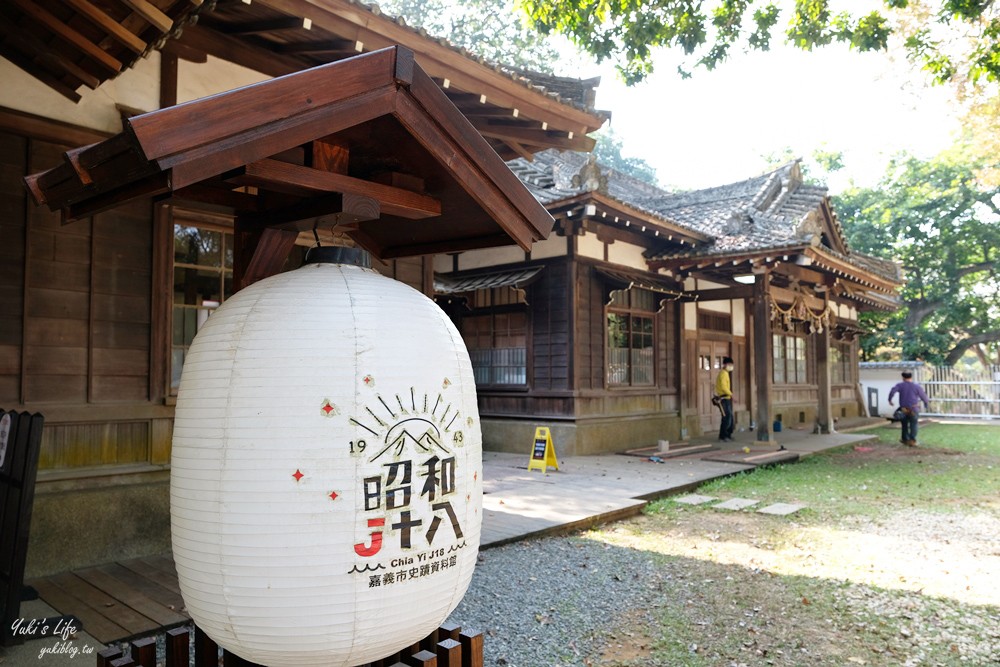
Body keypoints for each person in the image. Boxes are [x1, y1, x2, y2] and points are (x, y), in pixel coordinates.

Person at [888, 371, 930, 446]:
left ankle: (905, 439)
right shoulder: (917, 386)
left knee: (904, 424)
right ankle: (912, 440)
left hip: (904, 409)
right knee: (913, 424)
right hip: (913, 408)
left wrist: (890, 400)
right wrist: (926, 403)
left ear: (903, 378)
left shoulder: (900, 385)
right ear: (911, 377)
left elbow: (892, 391)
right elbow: (924, 396)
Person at [715, 356, 735, 442]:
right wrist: (731, 395)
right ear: (725, 364)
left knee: (730, 417)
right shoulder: (723, 373)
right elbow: (723, 387)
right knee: (726, 417)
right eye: (729, 364)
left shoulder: (725, 373)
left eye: (731, 364)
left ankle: (728, 435)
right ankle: (723, 436)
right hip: (723, 398)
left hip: (727, 398)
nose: (731, 366)